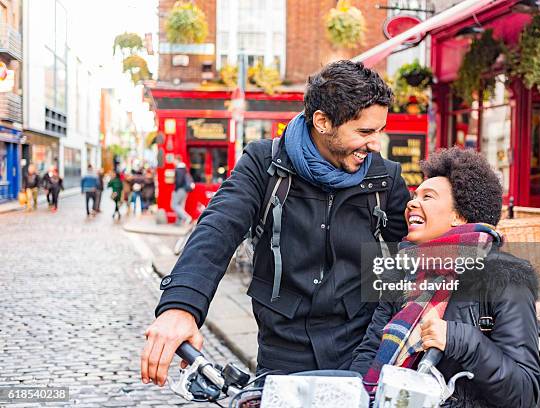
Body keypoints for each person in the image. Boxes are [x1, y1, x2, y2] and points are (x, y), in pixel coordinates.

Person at [141, 60, 411, 387]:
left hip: (359, 346)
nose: (375, 144)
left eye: (379, 130)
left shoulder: (384, 177)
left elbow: (413, 252)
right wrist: (181, 306)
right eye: (365, 131)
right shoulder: (264, 163)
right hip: (282, 352)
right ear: (323, 122)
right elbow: (218, 226)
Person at [350, 147, 540, 407]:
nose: (412, 203)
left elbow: (525, 393)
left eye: (428, 197)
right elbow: (371, 348)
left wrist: (457, 339)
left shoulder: (506, 277)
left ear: (459, 215)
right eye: (414, 195)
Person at [170, 156, 192, 225]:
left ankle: (186, 217)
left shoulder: (178, 169)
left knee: (174, 205)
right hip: (185, 190)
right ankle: (179, 222)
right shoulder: (184, 169)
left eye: (174, 160)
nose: (173, 162)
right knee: (180, 206)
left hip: (180, 189)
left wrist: (175, 189)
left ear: (177, 160)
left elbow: (178, 181)